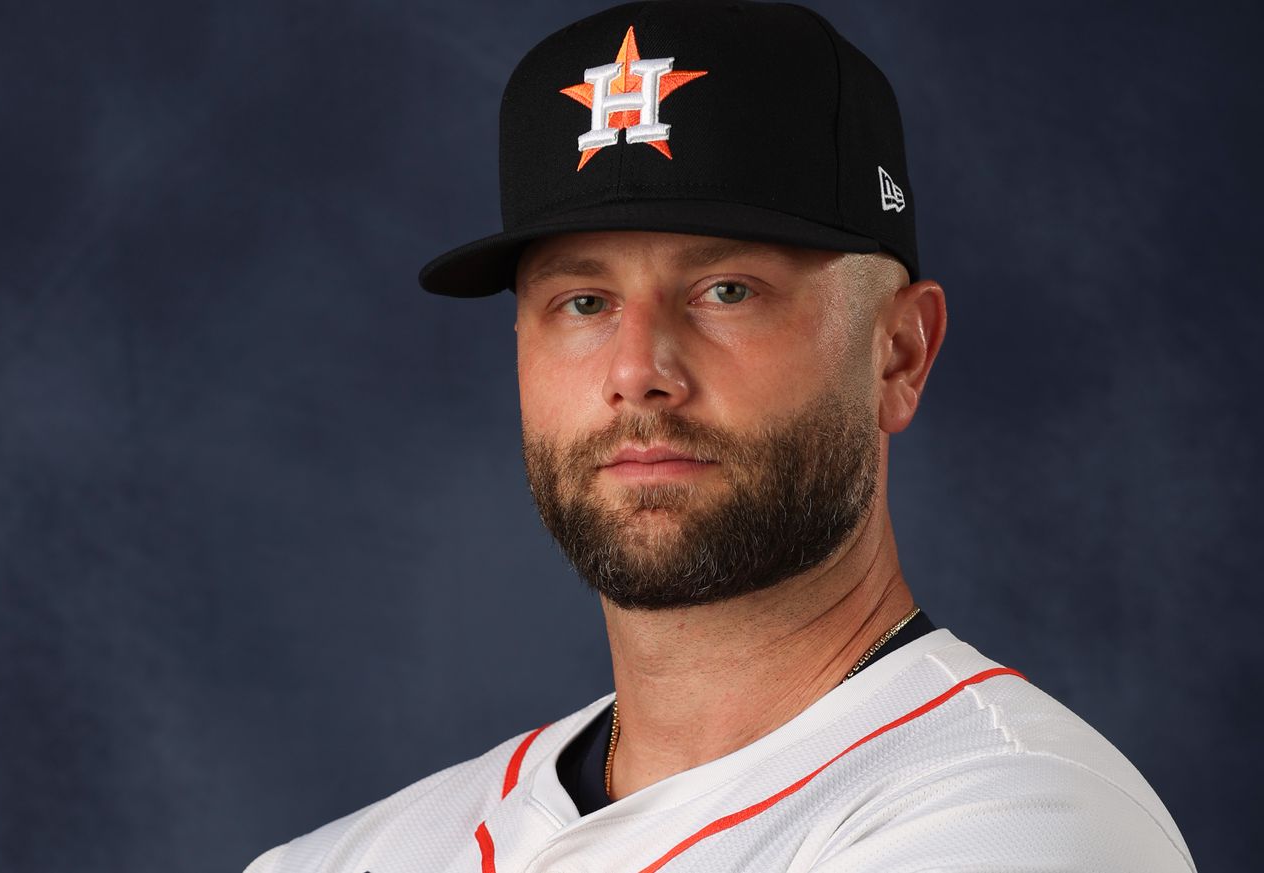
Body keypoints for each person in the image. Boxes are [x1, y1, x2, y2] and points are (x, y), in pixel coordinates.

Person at [246, 1, 1196, 870]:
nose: (637, 370)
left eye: (726, 291)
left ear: (899, 353)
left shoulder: (1023, 817)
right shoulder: (346, 857)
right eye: (584, 301)